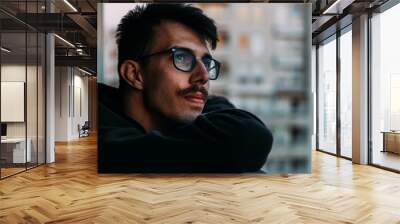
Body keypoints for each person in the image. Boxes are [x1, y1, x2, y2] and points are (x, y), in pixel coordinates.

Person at [98, 3, 273, 173]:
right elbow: (243, 139)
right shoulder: (94, 138)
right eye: (181, 58)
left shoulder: (197, 108)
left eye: (206, 62)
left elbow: (247, 134)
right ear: (134, 74)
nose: (203, 75)